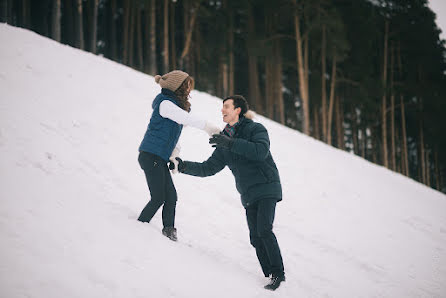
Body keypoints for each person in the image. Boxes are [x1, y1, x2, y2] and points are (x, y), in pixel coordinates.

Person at [172, 95, 285, 290]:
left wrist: (230, 143)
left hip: (267, 186)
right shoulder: (224, 139)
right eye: (222, 107)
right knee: (255, 237)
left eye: (226, 107)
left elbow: (260, 152)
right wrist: (182, 166)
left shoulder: (255, 129)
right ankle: (269, 275)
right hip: (248, 194)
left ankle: (278, 275)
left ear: (238, 110)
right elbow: (209, 168)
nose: (222, 110)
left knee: (264, 230)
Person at [138, 70, 220, 241]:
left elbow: (172, 138)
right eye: (187, 85)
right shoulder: (165, 104)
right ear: (178, 87)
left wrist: (174, 155)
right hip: (150, 155)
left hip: (158, 158)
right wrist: (209, 128)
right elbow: (185, 118)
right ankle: (139, 226)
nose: (189, 90)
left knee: (171, 197)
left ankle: (169, 232)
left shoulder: (173, 107)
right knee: (158, 197)